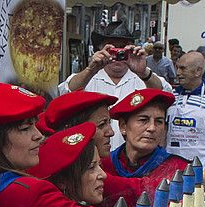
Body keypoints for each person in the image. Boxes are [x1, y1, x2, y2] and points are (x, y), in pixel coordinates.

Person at [57, 20, 172, 149]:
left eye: (122, 48)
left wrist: (143, 71)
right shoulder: (89, 78)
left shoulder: (144, 78)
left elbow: (166, 94)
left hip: (134, 159)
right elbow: (65, 93)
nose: (117, 54)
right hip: (93, 158)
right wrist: (90, 69)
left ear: (131, 49)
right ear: (101, 49)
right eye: (112, 49)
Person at [167, 49, 205, 166]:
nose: (178, 72)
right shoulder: (171, 96)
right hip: (170, 167)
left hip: (202, 168)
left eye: (183, 68)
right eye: (177, 67)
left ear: (198, 71)